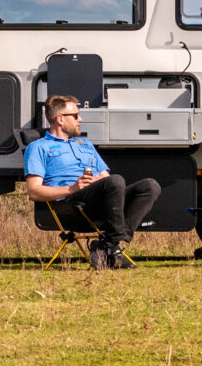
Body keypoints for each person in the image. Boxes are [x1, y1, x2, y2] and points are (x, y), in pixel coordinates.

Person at [25, 95, 161, 269]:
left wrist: (98, 180)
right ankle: (112, 247)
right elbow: (34, 191)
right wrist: (72, 188)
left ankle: (108, 245)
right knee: (116, 181)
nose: (80, 119)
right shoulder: (38, 148)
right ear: (60, 119)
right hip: (71, 205)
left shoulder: (85, 144)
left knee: (149, 186)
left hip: (99, 200)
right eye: (75, 115)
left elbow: (106, 178)